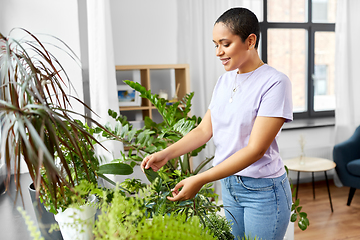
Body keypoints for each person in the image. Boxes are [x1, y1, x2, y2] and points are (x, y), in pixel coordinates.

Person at [141, 7, 293, 240]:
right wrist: (166, 153)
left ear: (250, 41)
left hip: (263, 191)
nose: (218, 52)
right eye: (215, 44)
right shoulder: (224, 81)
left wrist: (200, 179)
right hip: (230, 184)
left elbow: (255, 150)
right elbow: (204, 130)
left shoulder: (275, 83)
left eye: (225, 44)